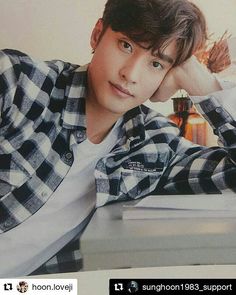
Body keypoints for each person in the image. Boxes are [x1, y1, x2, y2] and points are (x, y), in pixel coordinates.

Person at [0, 0, 235, 277]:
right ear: (97, 34)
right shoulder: (18, 84)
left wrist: (201, 82)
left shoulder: (155, 147)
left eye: (156, 64)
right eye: (126, 45)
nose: (130, 75)